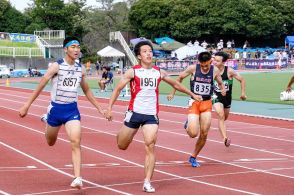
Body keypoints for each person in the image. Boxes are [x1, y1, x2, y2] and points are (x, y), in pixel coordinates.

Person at [105, 41, 202, 193]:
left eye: (150, 51)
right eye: (145, 51)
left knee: (150, 144)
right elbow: (117, 89)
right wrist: (109, 108)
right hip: (134, 113)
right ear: (139, 56)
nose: (149, 53)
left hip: (151, 115)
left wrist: (192, 94)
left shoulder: (159, 72)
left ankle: (147, 181)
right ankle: (122, 134)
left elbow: (176, 85)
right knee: (121, 145)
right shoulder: (133, 72)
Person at [19, 36, 105, 189]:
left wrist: (99, 108)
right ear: (65, 49)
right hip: (55, 110)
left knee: (76, 141)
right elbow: (41, 85)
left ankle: (78, 177)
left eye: (78, 47)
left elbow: (86, 90)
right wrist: (27, 105)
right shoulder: (56, 66)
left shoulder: (80, 68)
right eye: (73, 47)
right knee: (50, 142)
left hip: (72, 110)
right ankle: (47, 120)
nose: (76, 49)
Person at [167, 51, 226, 168]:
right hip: (194, 102)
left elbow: (220, 82)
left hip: (207, 103)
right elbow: (179, 79)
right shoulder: (193, 68)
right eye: (202, 65)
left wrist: (222, 89)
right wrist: (172, 93)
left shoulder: (215, 70)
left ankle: (193, 157)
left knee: (204, 133)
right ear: (199, 62)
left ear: (211, 61)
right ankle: (188, 123)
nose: (204, 67)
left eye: (207, 65)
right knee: (193, 133)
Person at [212, 52, 247, 147]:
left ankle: (220, 127)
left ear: (223, 62)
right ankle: (225, 138)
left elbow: (242, 80)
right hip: (215, 96)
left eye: (217, 61)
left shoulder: (229, 71)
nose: (214, 62)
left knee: (224, 118)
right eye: (214, 60)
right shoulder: (211, 71)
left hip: (227, 98)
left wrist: (243, 93)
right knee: (220, 115)